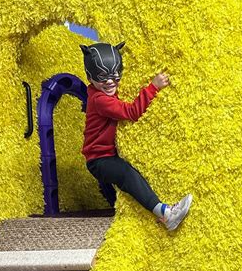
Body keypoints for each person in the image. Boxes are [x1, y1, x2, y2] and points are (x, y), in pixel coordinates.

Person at [80, 41, 192, 231]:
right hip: (99, 160)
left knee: (129, 175)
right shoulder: (99, 100)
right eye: (102, 78)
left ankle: (164, 212)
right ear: (90, 77)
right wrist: (153, 87)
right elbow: (132, 112)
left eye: (115, 76)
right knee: (127, 175)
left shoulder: (102, 93)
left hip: (106, 155)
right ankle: (166, 214)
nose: (110, 82)